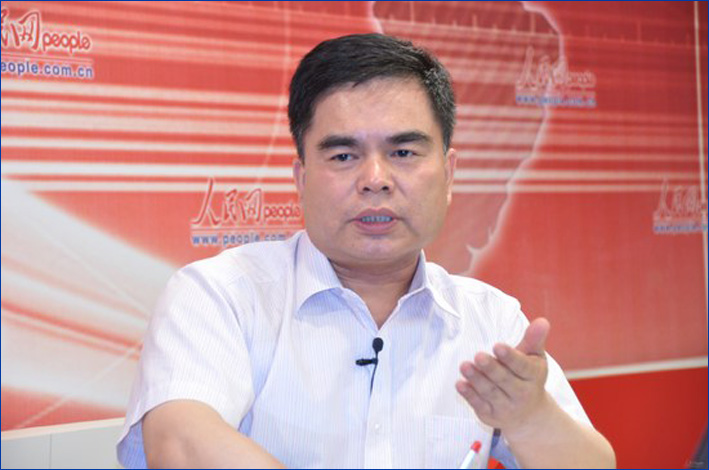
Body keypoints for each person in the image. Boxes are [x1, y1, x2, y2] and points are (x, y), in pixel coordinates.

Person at [117, 33, 615, 468]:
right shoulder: (221, 296)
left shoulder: (491, 320)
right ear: (301, 178)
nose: (375, 179)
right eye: (343, 155)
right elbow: (179, 444)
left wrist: (530, 419)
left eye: (403, 152)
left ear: (448, 175)